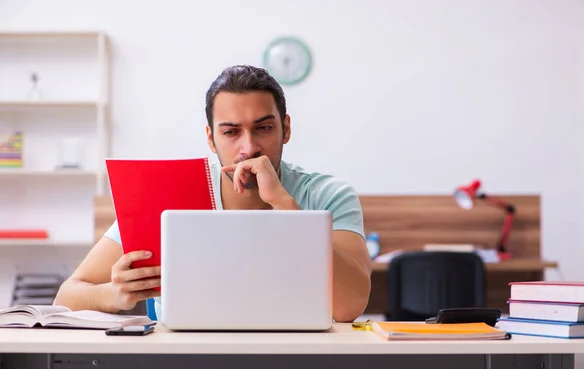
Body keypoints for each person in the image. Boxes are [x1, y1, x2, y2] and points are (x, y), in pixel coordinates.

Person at [54, 65, 372, 322]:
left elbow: (348, 307)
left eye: (263, 128)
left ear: (285, 129)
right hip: (186, 363)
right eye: (231, 132)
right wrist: (113, 294)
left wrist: (285, 206)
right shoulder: (170, 191)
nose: (248, 148)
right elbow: (67, 295)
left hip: (297, 361)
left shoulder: (329, 194)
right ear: (211, 138)